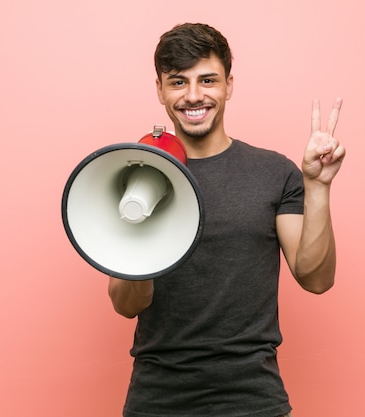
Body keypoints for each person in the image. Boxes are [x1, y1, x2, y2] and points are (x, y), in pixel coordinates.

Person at [108, 22, 346, 417]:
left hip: (254, 399)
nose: (194, 96)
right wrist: (141, 219)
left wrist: (317, 186)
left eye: (207, 80)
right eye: (178, 82)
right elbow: (125, 304)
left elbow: (316, 279)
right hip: (158, 400)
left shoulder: (274, 172)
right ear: (160, 91)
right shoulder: (137, 174)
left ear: (229, 85)